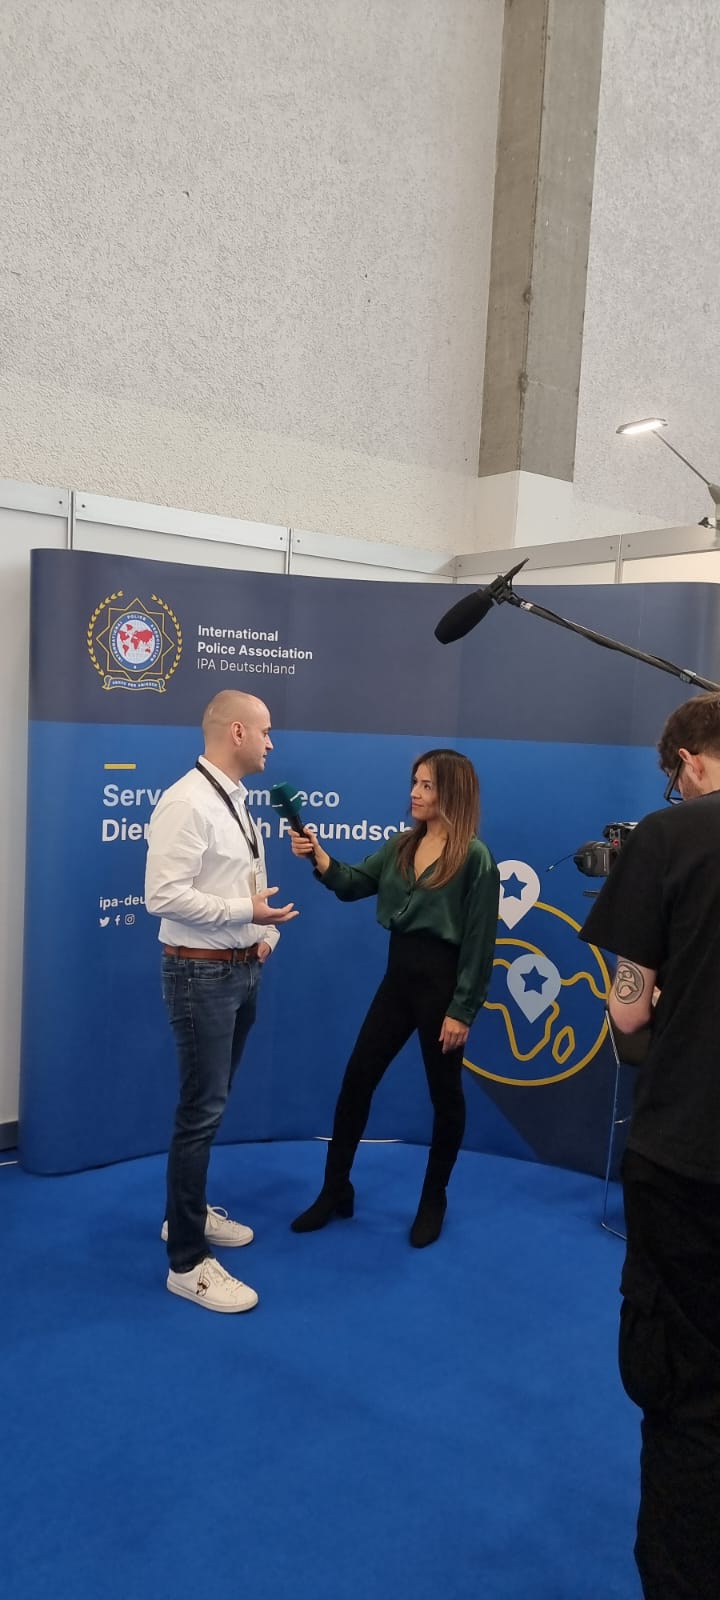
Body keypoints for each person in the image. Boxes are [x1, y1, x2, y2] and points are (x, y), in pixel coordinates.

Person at [580, 691, 720, 1600]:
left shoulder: (671, 838)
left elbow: (628, 1011)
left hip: (690, 1156)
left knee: (686, 1398)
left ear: (690, 762)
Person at [289, 749, 499, 1247]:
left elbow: (479, 943)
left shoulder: (475, 858)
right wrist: (318, 856)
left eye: (426, 785)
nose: (414, 793)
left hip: (442, 988)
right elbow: (352, 883)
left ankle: (433, 1199)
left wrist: (462, 1009)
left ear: (452, 792)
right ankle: (335, 1189)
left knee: (445, 1097)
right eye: (414, 782)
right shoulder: (403, 846)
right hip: (397, 980)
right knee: (356, 1081)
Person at [145, 690, 298, 1314]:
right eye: (265, 731)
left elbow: (246, 887)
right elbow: (162, 895)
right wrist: (243, 912)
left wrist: (261, 933)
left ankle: (186, 1213)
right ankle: (187, 1262)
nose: (271, 742)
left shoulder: (234, 799)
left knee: (210, 1106)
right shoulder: (187, 801)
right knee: (200, 1111)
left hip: (238, 970)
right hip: (199, 976)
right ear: (237, 731)